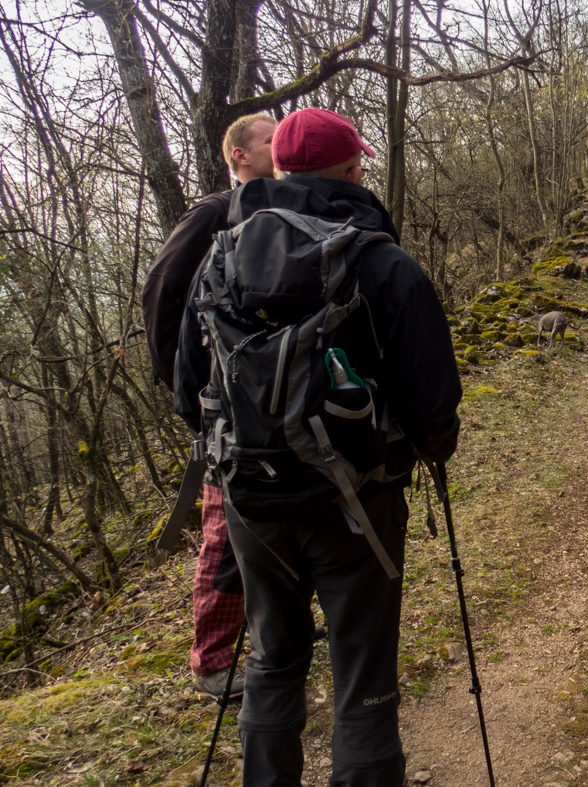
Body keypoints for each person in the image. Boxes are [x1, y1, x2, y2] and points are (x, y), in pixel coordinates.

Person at [173, 107, 462, 786]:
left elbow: (190, 390)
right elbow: (431, 396)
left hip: (251, 504)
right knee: (362, 667)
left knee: (273, 655)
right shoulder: (379, 260)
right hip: (355, 501)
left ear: (278, 168)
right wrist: (429, 451)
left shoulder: (218, 257)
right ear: (355, 169)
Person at [142, 113, 277, 698]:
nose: (282, 148)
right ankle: (212, 660)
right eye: (271, 141)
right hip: (221, 404)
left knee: (273, 520)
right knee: (224, 529)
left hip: (268, 402)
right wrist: (186, 385)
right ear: (240, 155)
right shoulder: (212, 212)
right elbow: (162, 290)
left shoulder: (277, 211)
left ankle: (270, 631)